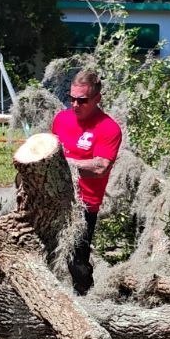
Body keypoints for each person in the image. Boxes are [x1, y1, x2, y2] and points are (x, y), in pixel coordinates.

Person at [51, 67, 122, 295]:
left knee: (76, 262)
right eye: (71, 98)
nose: (75, 105)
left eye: (82, 100)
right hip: (53, 198)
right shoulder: (61, 119)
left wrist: (65, 165)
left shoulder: (108, 128)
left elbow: (100, 167)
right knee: (40, 251)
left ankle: (88, 303)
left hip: (83, 205)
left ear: (97, 98)